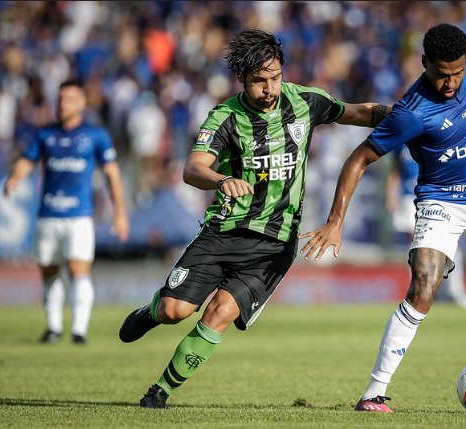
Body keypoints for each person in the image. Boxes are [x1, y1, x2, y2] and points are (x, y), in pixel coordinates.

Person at [118, 28, 391, 409]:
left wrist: (407, 115)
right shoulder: (225, 117)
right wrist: (222, 179)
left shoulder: (306, 101)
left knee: (220, 313)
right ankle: (152, 311)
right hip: (223, 233)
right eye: (259, 81)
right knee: (173, 311)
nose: (269, 88)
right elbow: (193, 169)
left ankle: (159, 391)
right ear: (242, 80)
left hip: (275, 245)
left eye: (275, 77)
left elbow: (357, 111)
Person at [299, 23, 466, 412]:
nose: (450, 83)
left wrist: (355, 112)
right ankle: (373, 394)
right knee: (423, 290)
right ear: (424, 63)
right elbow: (358, 159)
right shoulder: (412, 112)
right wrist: (335, 220)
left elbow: (382, 112)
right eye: (441, 74)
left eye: (457, 73)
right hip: (440, 204)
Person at [4, 79, 130, 345]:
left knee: (78, 270)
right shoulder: (45, 134)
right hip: (48, 214)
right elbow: (27, 161)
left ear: (82, 103)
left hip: (79, 216)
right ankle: (53, 328)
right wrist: (14, 178)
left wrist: (120, 211)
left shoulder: (96, 135)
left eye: (69, 99)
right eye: (60, 100)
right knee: (49, 272)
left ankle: (79, 331)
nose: (63, 105)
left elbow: (112, 173)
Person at [385, 145, 466, 310]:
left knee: (449, 239)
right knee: (416, 244)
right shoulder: (402, 140)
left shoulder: (435, 134)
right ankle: (417, 291)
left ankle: (456, 290)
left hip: (435, 196)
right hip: (409, 196)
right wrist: (390, 193)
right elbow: (395, 169)